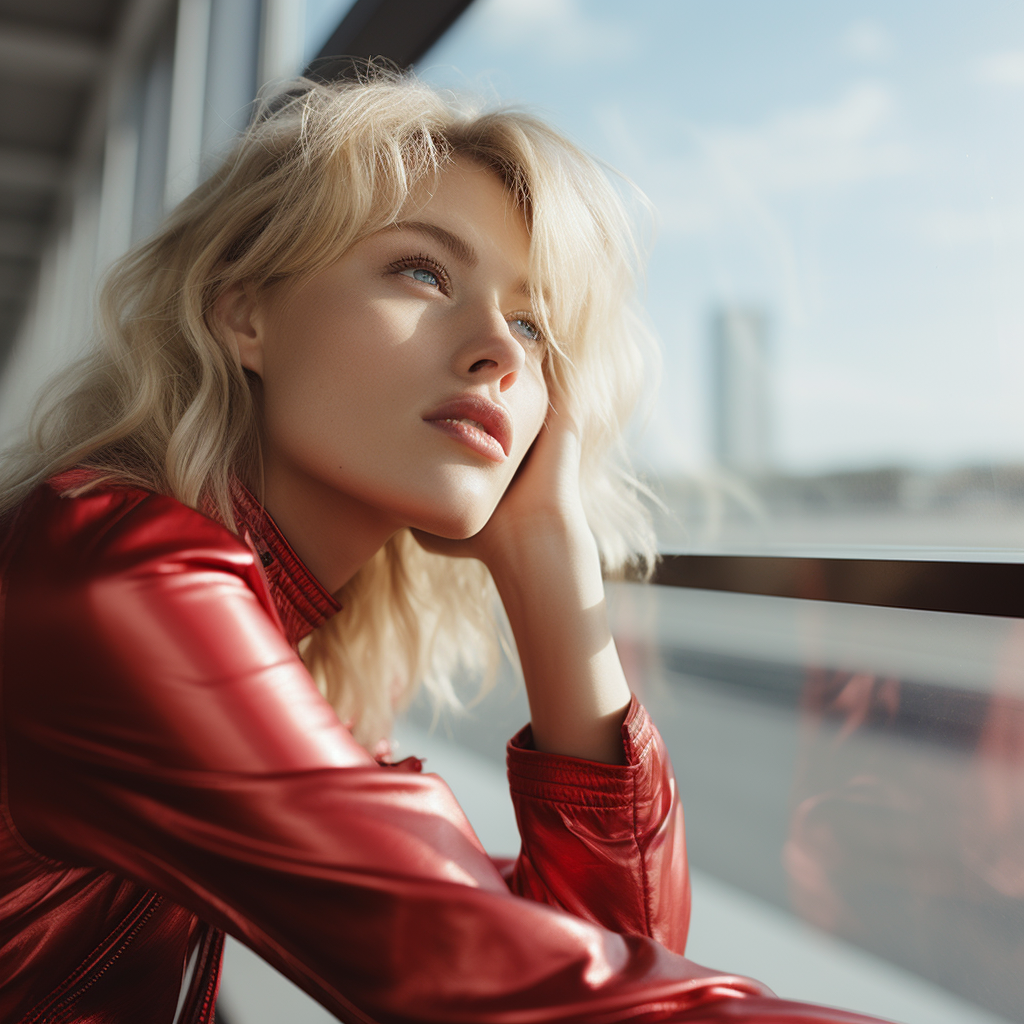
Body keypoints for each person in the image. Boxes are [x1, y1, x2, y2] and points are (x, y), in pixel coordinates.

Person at [0, 69, 891, 1023]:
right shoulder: (113, 570)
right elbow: (504, 983)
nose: (501, 353)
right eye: (424, 272)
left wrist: (550, 550)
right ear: (243, 311)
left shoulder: (298, 643)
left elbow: (606, 952)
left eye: (532, 323)